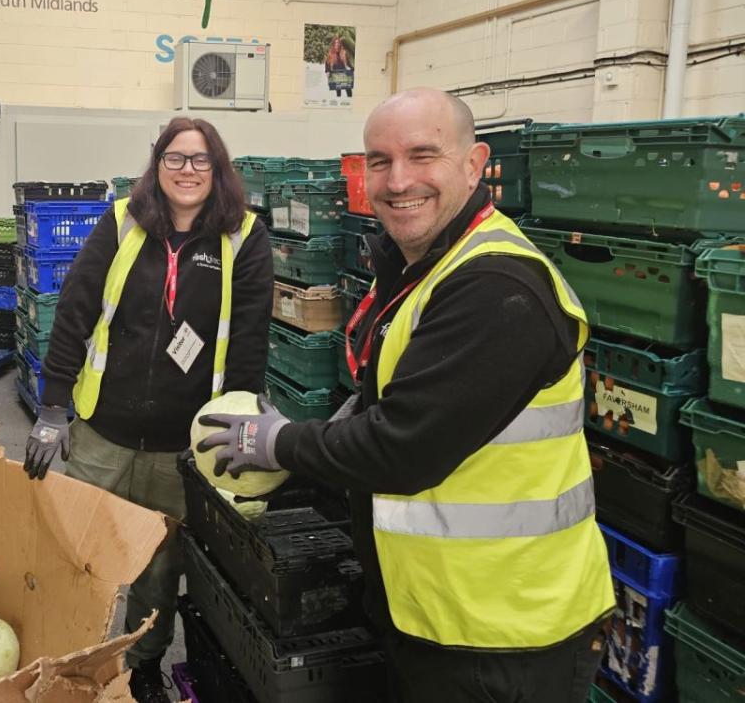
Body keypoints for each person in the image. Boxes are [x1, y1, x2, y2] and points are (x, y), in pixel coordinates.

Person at [198, 88, 614, 703]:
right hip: (434, 611)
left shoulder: (497, 288)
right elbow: (393, 398)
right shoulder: (426, 266)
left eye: (423, 156)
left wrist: (278, 442)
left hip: (504, 633)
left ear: (475, 164)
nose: (398, 181)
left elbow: (404, 445)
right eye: (380, 161)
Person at [22, 117, 273, 703]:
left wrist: (233, 430)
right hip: (101, 437)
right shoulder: (121, 224)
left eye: (200, 160)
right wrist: (53, 407)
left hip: (181, 445)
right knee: (73, 555)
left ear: (219, 169)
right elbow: (75, 312)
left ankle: (142, 668)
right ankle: (57, 661)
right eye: (175, 159)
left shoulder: (244, 237)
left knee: (159, 573)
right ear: (156, 166)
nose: (187, 171)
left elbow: (248, 343)